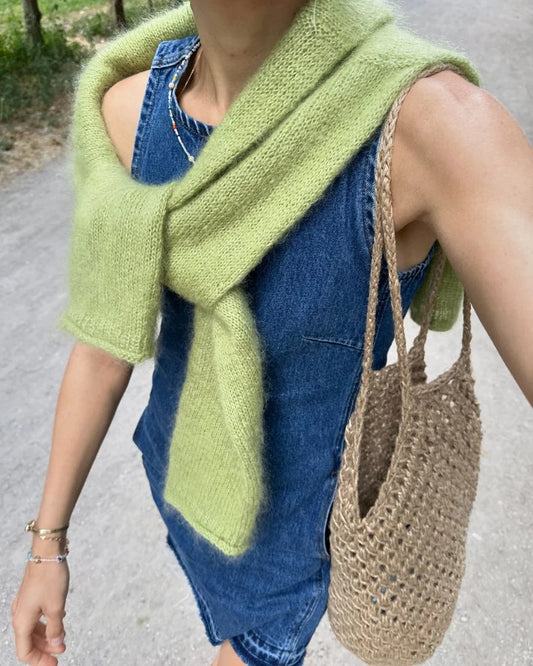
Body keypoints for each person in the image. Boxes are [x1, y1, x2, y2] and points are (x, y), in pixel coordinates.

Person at [10, 0, 533, 664]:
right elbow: (103, 343)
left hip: (291, 559)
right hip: (179, 480)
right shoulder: (125, 112)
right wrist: (47, 545)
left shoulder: (432, 129)